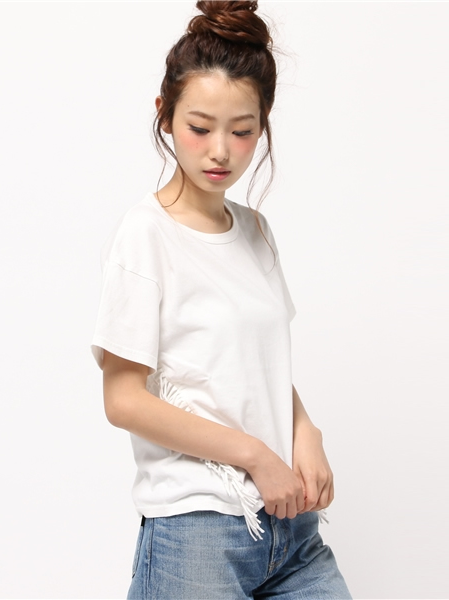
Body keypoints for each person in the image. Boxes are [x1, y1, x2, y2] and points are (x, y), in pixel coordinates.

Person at [91, 2, 352, 598]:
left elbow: (255, 368)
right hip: (197, 530)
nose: (221, 151)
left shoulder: (256, 230)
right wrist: (255, 455)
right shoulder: (145, 234)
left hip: (292, 527)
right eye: (200, 127)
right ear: (164, 114)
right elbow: (123, 399)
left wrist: (306, 431)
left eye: (241, 131)